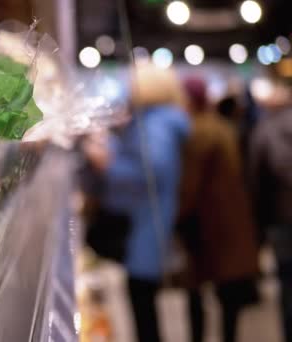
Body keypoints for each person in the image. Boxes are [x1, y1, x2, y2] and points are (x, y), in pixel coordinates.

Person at [100, 65, 190, 342]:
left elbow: (151, 171)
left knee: (143, 306)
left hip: (146, 226)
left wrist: (107, 162)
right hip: (149, 222)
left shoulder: (154, 124)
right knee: (144, 304)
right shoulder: (159, 121)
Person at [178, 77, 260, 342]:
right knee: (228, 301)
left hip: (208, 226)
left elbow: (191, 185)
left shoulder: (198, 131)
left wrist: (177, 214)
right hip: (229, 222)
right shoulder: (221, 127)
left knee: (198, 294)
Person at [249, 80, 292, 342]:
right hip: (281, 218)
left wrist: (259, 223)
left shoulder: (265, 130)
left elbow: (256, 179)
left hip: (281, 219)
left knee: (287, 285)